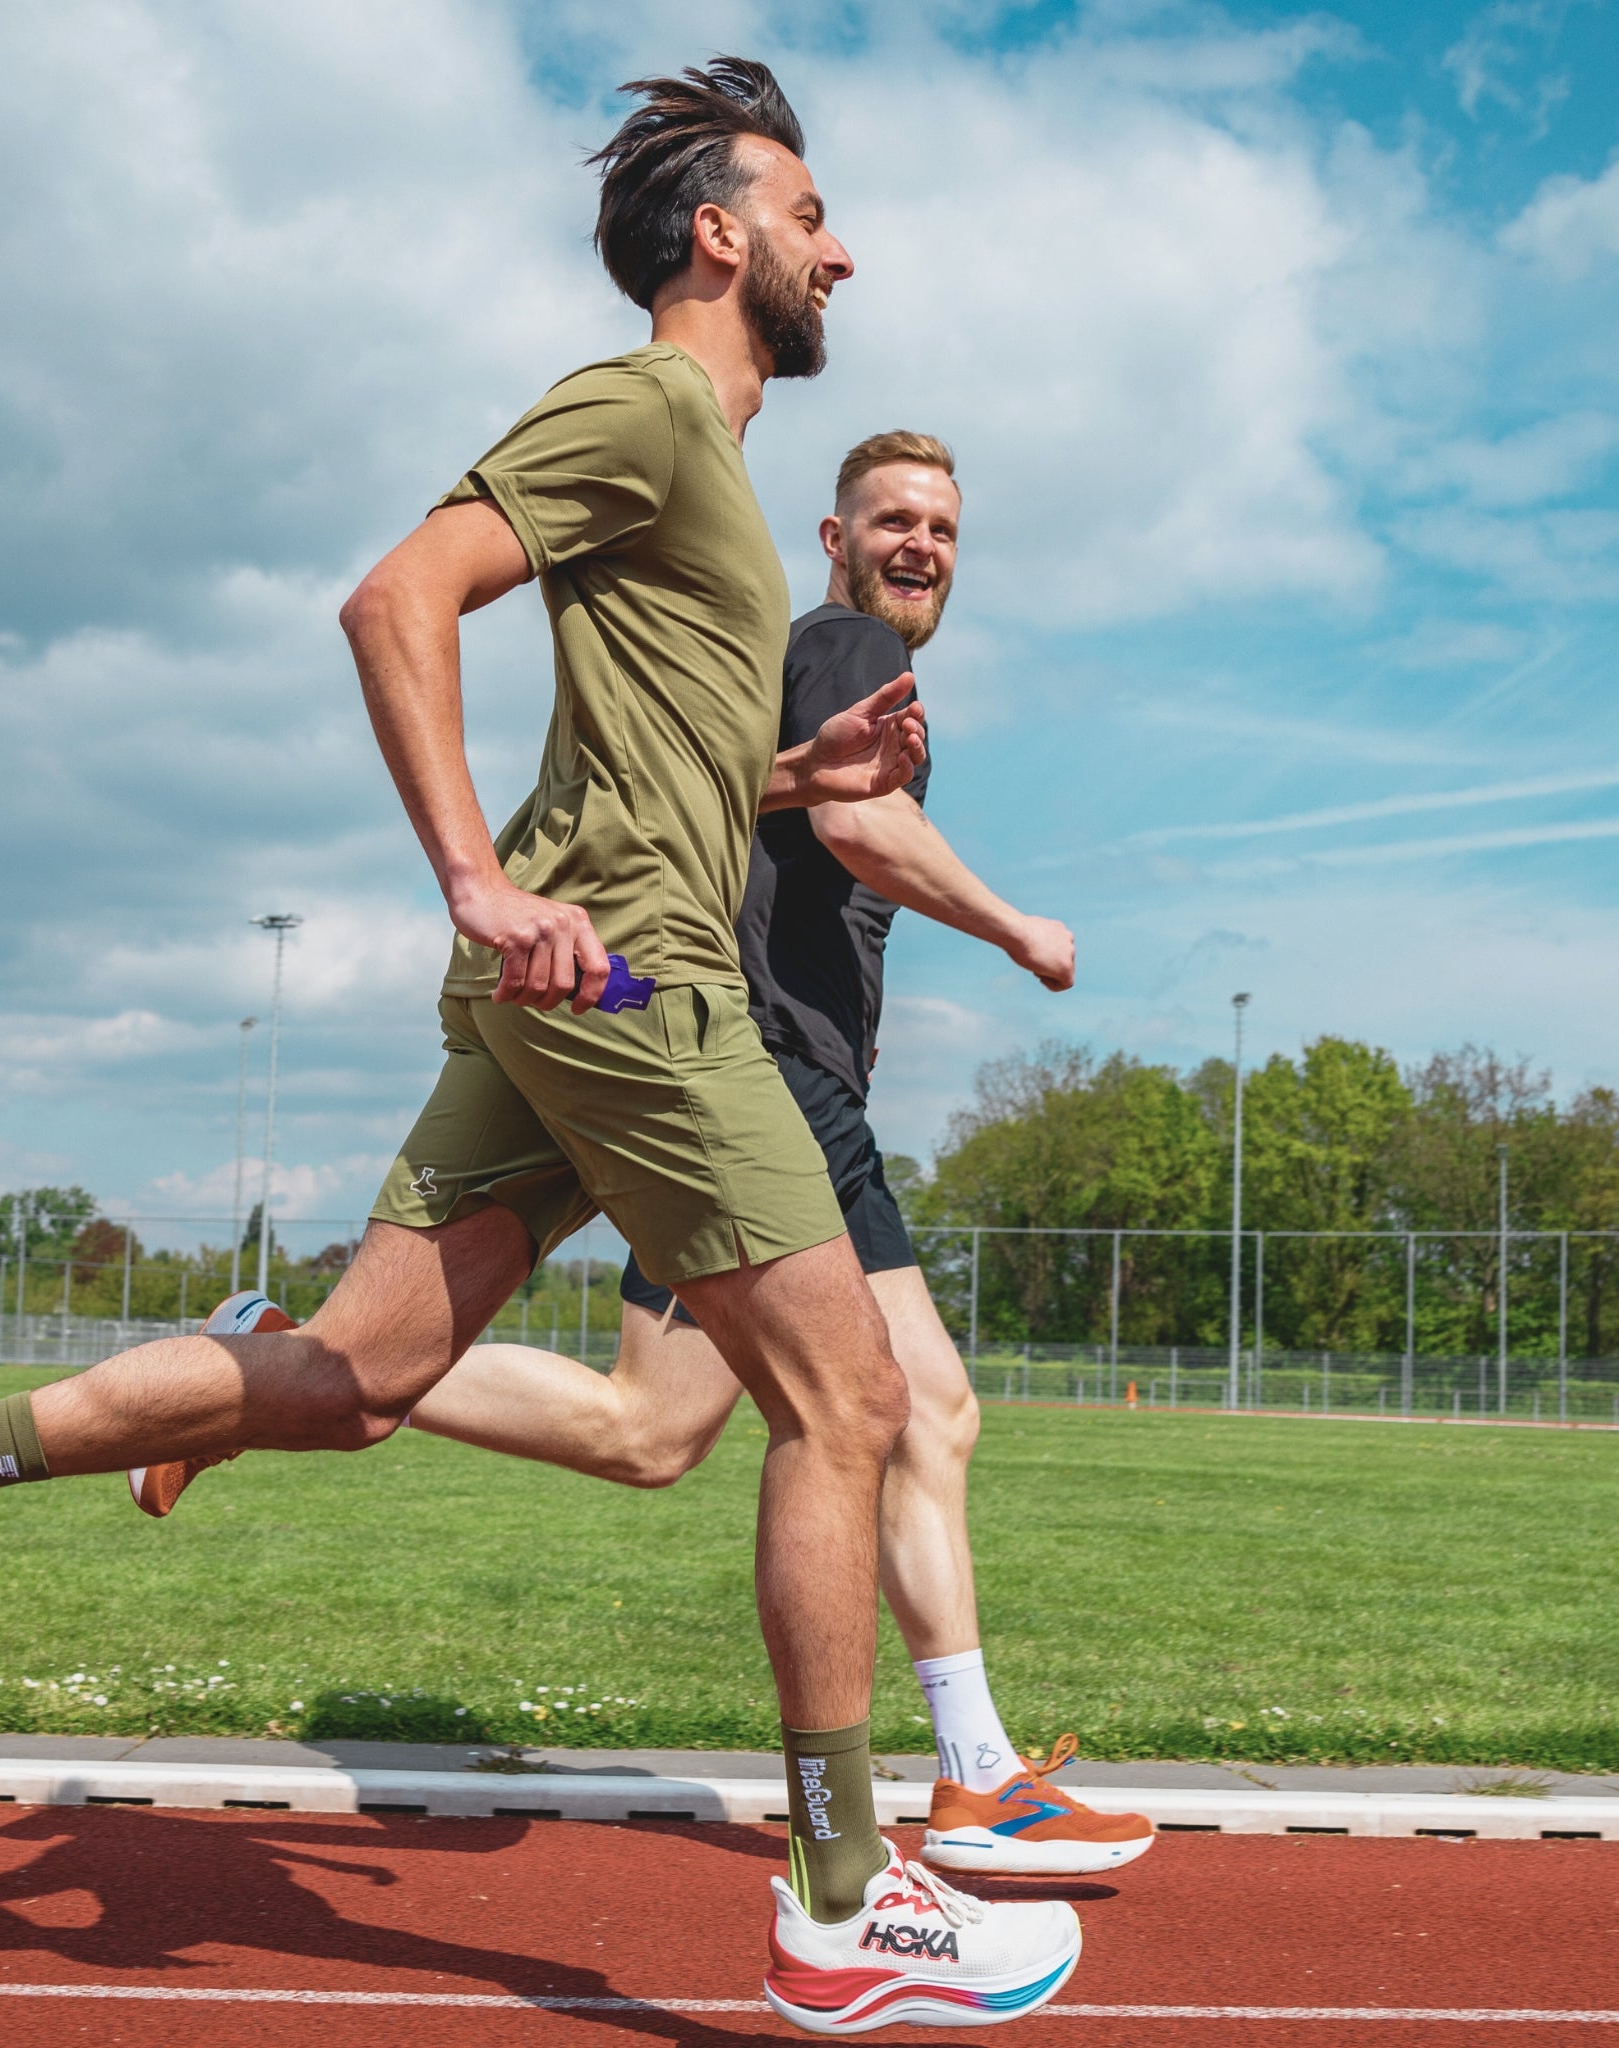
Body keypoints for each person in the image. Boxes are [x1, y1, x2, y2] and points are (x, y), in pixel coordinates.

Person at [0, 59, 1080, 2032]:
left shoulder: (703, 471)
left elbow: (657, 767)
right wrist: (470, 877)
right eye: (805, 210)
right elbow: (395, 598)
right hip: (634, 989)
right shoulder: (642, 404)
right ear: (720, 234)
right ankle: (844, 1890)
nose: (835, 245)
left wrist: (801, 768)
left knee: (352, 1377)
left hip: (585, 983)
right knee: (849, 1403)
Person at [151, 435, 1154, 1881]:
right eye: (895, 520)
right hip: (776, 1087)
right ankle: (972, 1774)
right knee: (922, 1410)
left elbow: (774, 802)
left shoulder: (812, 671)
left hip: (742, 1078)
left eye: (942, 527)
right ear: (835, 535)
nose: (922, 545)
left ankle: (269, 1358)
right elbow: (864, 829)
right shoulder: (845, 644)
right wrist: (1014, 926)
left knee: (651, 1430)